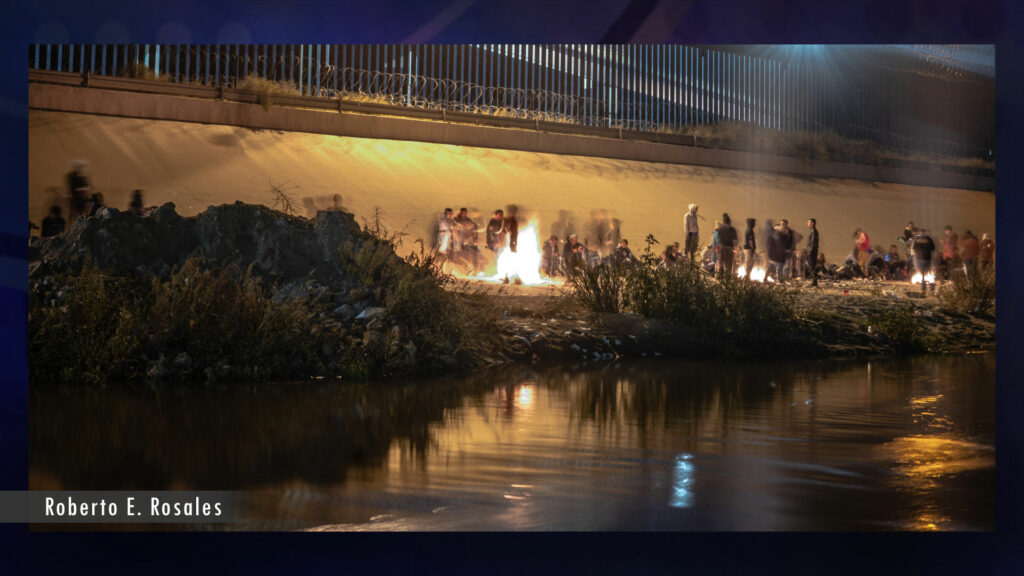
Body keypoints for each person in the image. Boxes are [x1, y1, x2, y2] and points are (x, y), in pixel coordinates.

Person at [912, 228, 936, 294]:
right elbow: (933, 248)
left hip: (923, 259)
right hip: (925, 259)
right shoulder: (928, 239)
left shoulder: (917, 239)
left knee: (925, 274)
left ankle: (925, 289)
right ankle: (929, 289)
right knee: (927, 274)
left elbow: (914, 248)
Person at [716, 213, 738, 278]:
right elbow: (734, 240)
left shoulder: (719, 229)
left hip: (721, 248)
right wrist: (735, 248)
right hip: (729, 248)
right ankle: (727, 280)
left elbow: (717, 240)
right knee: (728, 265)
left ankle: (720, 277)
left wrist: (717, 247)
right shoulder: (732, 229)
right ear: (729, 221)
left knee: (721, 263)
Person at [806, 218, 819, 286]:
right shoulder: (812, 231)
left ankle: (814, 281)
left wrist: (810, 252)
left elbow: (813, 243)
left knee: (812, 267)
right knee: (811, 267)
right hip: (811, 252)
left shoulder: (814, 232)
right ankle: (814, 281)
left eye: (808, 222)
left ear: (812, 223)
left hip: (812, 253)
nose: (807, 224)